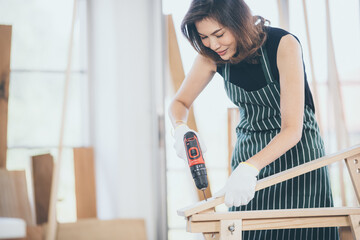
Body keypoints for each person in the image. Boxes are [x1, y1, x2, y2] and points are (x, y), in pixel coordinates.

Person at [168, 0, 339, 239]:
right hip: (248, 158)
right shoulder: (211, 56)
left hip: (299, 161)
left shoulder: (283, 44)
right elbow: (179, 103)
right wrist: (181, 128)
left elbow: (292, 129)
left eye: (219, 34)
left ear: (238, 21)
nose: (213, 44)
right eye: (204, 37)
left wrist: (250, 168)